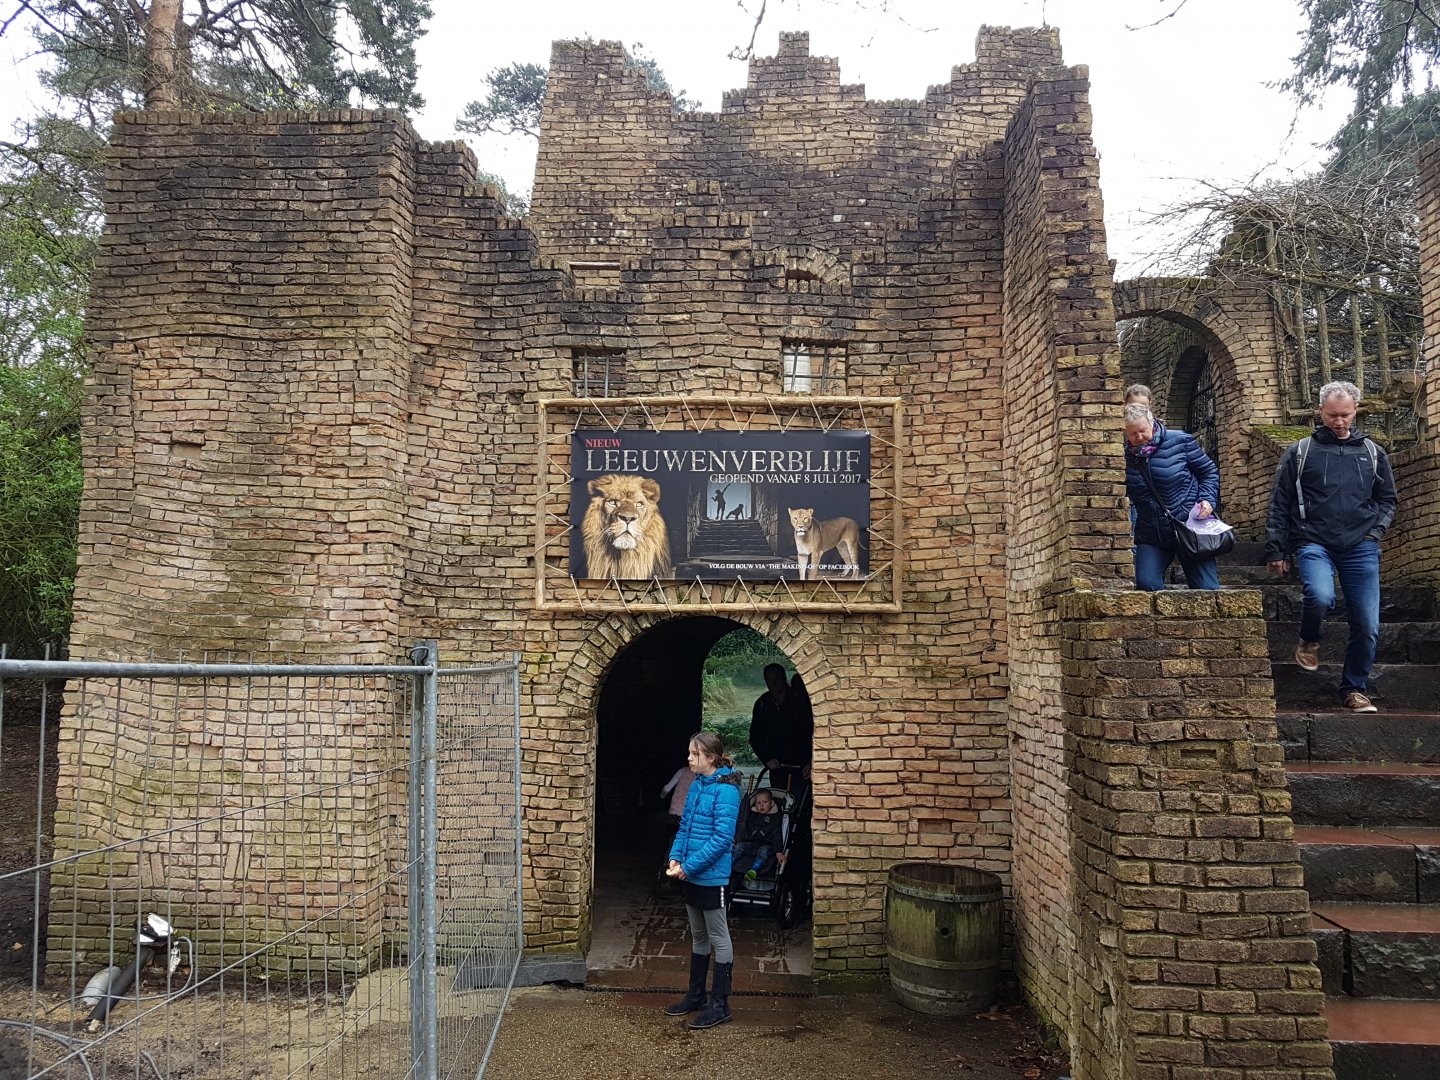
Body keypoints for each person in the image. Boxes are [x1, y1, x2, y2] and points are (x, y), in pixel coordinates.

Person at [1266, 381, 1398, 714]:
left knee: (1367, 625)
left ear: (1355, 410)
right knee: (1320, 595)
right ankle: (1309, 639)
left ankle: (1354, 689)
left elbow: (1387, 500)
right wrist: (1277, 550)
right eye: (1332, 415)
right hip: (1313, 541)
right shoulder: (1300, 451)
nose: (1339, 422)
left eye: (1345, 415)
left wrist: (1375, 532)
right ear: (1320, 412)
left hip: (1361, 545)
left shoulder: (1373, 452)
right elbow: (1279, 503)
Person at [664, 732, 743, 1030]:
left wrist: (689, 866)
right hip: (691, 873)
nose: (689, 758)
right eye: (689, 753)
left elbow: (723, 839)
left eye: (694, 754)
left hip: (711, 877)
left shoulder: (727, 792)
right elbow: (684, 827)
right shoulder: (697, 785)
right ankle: (696, 996)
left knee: (719, 937)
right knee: (698, 936)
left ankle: (720, 1005)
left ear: (711, 758)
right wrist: (675, 857)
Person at [1123, 402, 1221, 591]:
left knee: (1206, 589)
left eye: (1142, 430)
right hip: (1152, 531)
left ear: (1152, 424)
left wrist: (1207, 499)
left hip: (1189, 525)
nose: (1140, 437)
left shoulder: (1180, 441)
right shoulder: (1124, 457)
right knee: (1146, 584)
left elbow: (1208, 471)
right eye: (1133, 434)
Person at [749, 664, 812, 794]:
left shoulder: (800, 701)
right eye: (769, 680)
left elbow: (811, 732)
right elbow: (756, 736)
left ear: (783, 678)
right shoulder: (762, 704)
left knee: (800, 803)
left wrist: (811, 761)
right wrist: (767, 758)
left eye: (777, 679)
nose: (774, 683)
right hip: (777, 766)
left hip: (801, 765)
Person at [732, 788, 786, 882]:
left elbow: (777, 836)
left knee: (763, 851)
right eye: (758, 803)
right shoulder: (751, 815)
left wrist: (778, 851)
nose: (761, 805)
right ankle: (728, 864)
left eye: (765, 802)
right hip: (752, 844)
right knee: (739, 847)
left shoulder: (775, 819)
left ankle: (753, 869)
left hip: (768, 845)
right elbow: (743, 828)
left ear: (772, 803)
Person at [659, 762, 695, 832]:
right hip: (688, 814)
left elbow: (667, 788)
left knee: (671, 835)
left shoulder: (682, 770)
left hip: (674, 811)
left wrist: (662, 795)